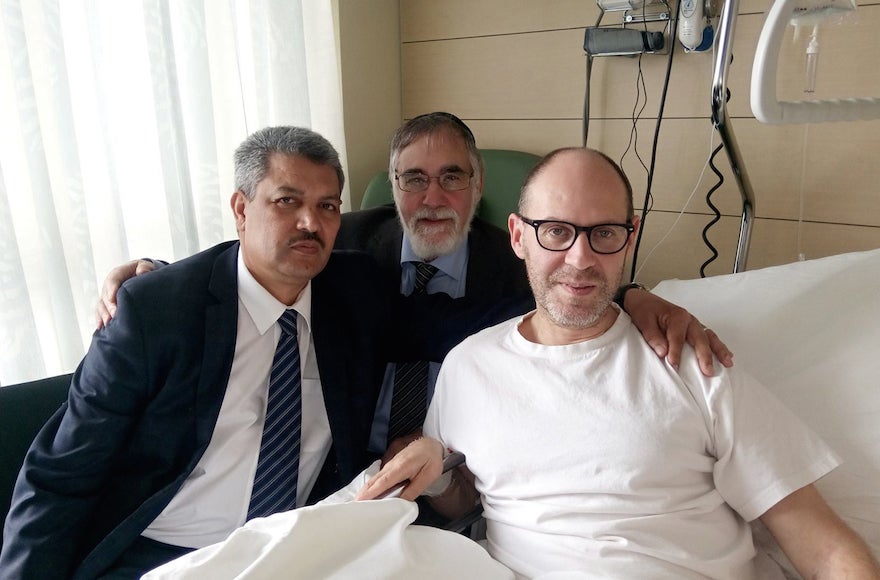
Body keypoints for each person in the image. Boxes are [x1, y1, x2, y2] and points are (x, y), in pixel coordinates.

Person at [356, 147, 880, 579]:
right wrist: (436, 468)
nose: (581, 258)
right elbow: (465, 498)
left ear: (629, 236)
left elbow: (825, 549)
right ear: (518, 236)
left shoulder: (691, 361)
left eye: (603, 233)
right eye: (556, 231)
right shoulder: (469, 366)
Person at [96, 112, 733, 463]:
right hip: (338, 467)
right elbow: (256, 256)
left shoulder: (519, 261)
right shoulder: (340, 242)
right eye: (412, 179)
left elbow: (576, 278)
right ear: (391, 187)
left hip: (455, 464)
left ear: (480, 188)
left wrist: (639, 296)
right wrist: (153, 271)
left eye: (452, 178)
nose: (432, 198)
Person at [0, 127, 406, 579]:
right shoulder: (153, 316)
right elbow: (60, 474)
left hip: (292, 550)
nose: (310, 223)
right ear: (241, 209)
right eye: (286, 201)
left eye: (327, 206)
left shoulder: (357, 292)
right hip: (165, 554)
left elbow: (448, 322)